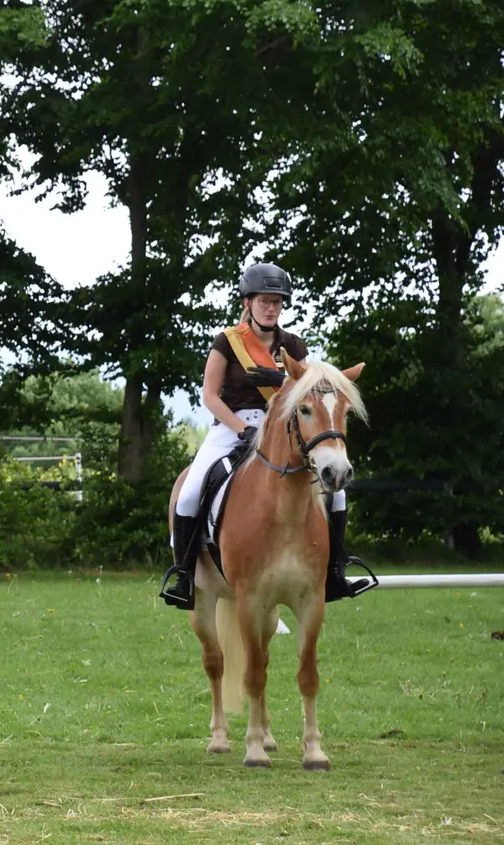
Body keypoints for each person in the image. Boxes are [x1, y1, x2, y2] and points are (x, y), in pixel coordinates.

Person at [159, 261, 377, 610]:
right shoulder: (227, 343)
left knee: (336, 496)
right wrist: (240, 427)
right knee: (188, 494)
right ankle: (184, 577)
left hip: (282, 430)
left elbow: (310, 394)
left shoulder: (293, 344)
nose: (271, 307)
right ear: (248, 302)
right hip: (232, 428)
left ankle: (335, 572)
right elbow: (210, 396)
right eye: (264, 301)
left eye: (277, 302)